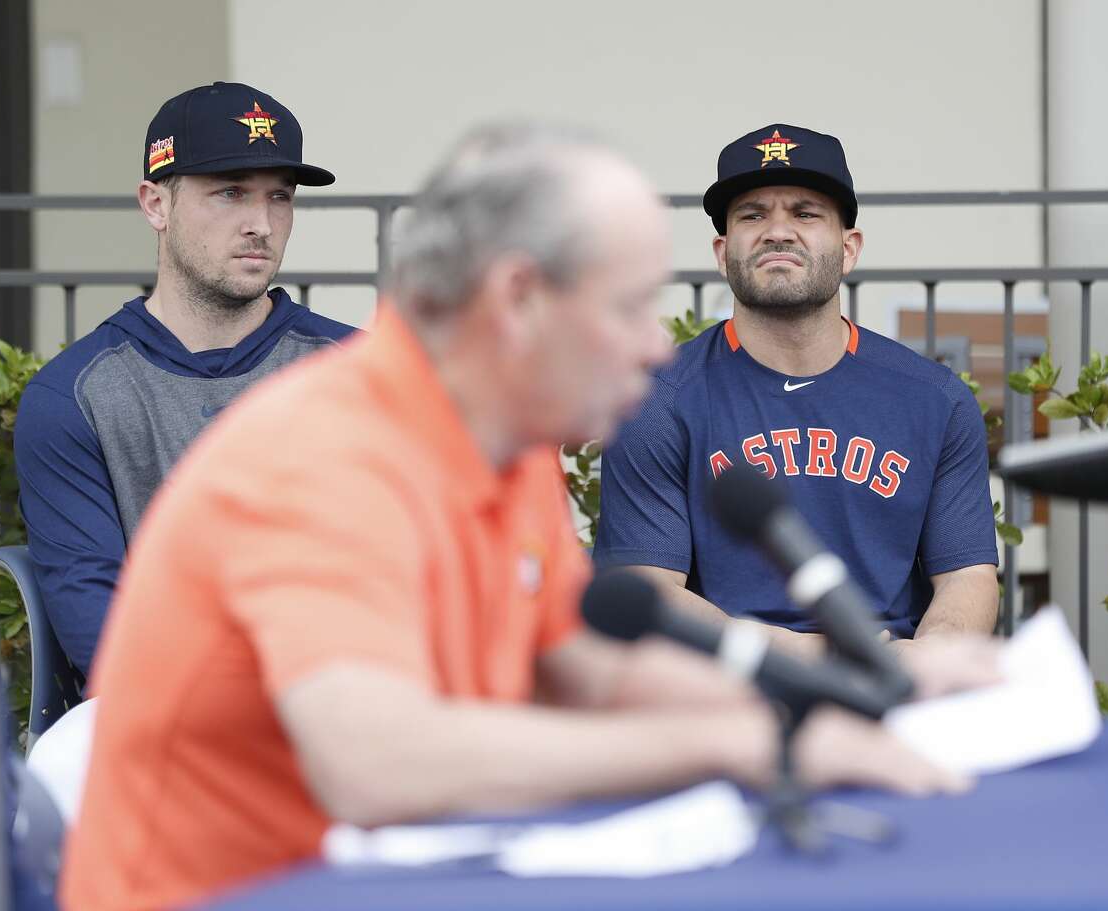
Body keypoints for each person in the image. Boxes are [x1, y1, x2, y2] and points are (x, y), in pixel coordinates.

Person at [59, 124, 990, 911]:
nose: (648, 346)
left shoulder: (509, 449)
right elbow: (375, 761)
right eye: (627, 308)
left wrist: (852, 701)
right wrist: (745, 740)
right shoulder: (326, 451)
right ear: (517, 301)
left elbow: (586, 669)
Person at [594, 123, 999, 659]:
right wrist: (822, 658)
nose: (778, 232)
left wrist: (929, 659)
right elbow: (653, 589)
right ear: (722, 251)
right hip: (729, 684)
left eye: (806, 213)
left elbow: (967, 577)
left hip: (897, 676)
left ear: (849, 248)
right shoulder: (657, 401)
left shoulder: (933, 399)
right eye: (753, 215)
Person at [14, 82, 356, 674]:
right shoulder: (73, 396)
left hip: (340, 706)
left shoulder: (357, 373)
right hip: (157, 716)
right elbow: (102, 639)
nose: (262, 224)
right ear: (155, 204)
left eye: (280, 197)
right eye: (230, 193)